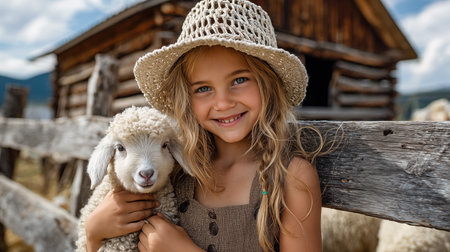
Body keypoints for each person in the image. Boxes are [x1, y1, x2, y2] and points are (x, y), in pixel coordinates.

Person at [85, 0, 326, 251]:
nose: (222, 103)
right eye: (203, 88)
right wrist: (94, 233)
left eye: (239, 79)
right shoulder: (176, 169)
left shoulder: (291, 178)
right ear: (186, 99)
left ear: (269, 83)